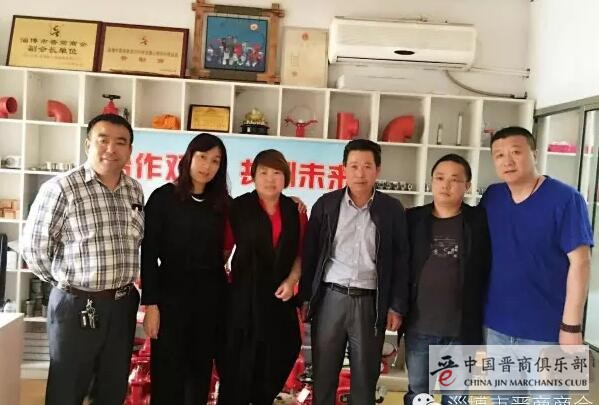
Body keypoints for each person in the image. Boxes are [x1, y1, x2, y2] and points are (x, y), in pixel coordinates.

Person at [21, 113, 143, 405]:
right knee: (68, 387)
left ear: (129, 150)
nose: (111, 149)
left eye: (121, 142)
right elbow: (34, 249)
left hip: (122, 304)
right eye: (103, 140)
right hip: (76, 304)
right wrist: (69, 286)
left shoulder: (133, 189)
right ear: (88, 144)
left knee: (112, 386)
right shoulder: (62, 188)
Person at [300, 138, 410, 405]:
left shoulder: (392, 209)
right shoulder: (327, 204)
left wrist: (396, 306)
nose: (360, 173)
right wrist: (305, 297)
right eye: (354, 166)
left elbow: (401, 260)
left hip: (370, 303)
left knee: (365, 377)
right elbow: (311, 254)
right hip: (331, 298)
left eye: (367, 166)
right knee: (324, 374)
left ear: (377, 170)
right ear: (344, 169)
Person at [481, 126, 593, 345]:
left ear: (534, 154)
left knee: (558, 371)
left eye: (516, 152)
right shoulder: (493, 196)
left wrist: (571, 326)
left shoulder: (566, 199)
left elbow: (581, 263)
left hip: (547, 330)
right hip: (496, 325)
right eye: (499, 155)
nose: (507, 161)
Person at [140, 133, 230, 404]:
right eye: (202, 157)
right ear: (189, 157)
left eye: (215, 161)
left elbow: (257, 212)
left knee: (199, 374)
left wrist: (292, 202)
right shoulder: (163, 198)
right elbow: (149, 254)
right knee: (167, 373)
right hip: (170, 297)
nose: (207, 166)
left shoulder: (223, 204)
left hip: (210, 299)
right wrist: (151, 305)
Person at [218, 149, 308, 405]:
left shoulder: (295, 211)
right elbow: (224, 251)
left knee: (272, 369)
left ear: (285, 177)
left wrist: (291, 281)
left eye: (276, 173)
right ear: (253, 176)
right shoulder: (238, 208)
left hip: (279, 302)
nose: (270, 179)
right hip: (242, 304)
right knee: (236, 372)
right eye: (263, 172)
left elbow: (300, 254)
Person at [403, 154, 491, 405]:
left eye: (454, 179)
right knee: (419, 394)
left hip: (461, 330)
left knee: (456, 398)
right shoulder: (412, 219)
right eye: (440, 178)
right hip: (419, 327)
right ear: (431, 181)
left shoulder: (480, 221)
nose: (446, 185)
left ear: (468, 186)